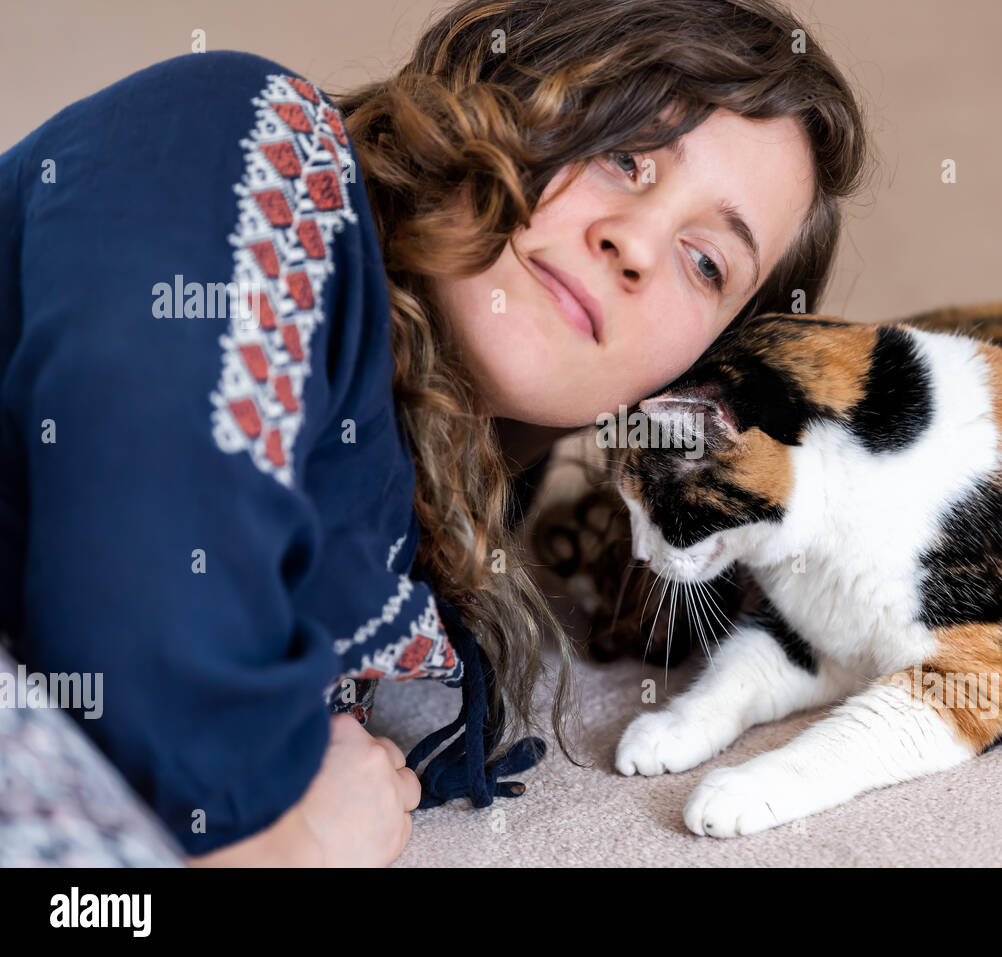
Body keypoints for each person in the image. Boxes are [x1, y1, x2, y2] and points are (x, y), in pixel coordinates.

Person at [0, 0, 873, 866]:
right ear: (506, 94)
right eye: (623, 156)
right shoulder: (250, 137)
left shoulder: (414, 512)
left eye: (707, 261)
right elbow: (140, 561)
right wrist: (294, 840)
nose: (636, 244)